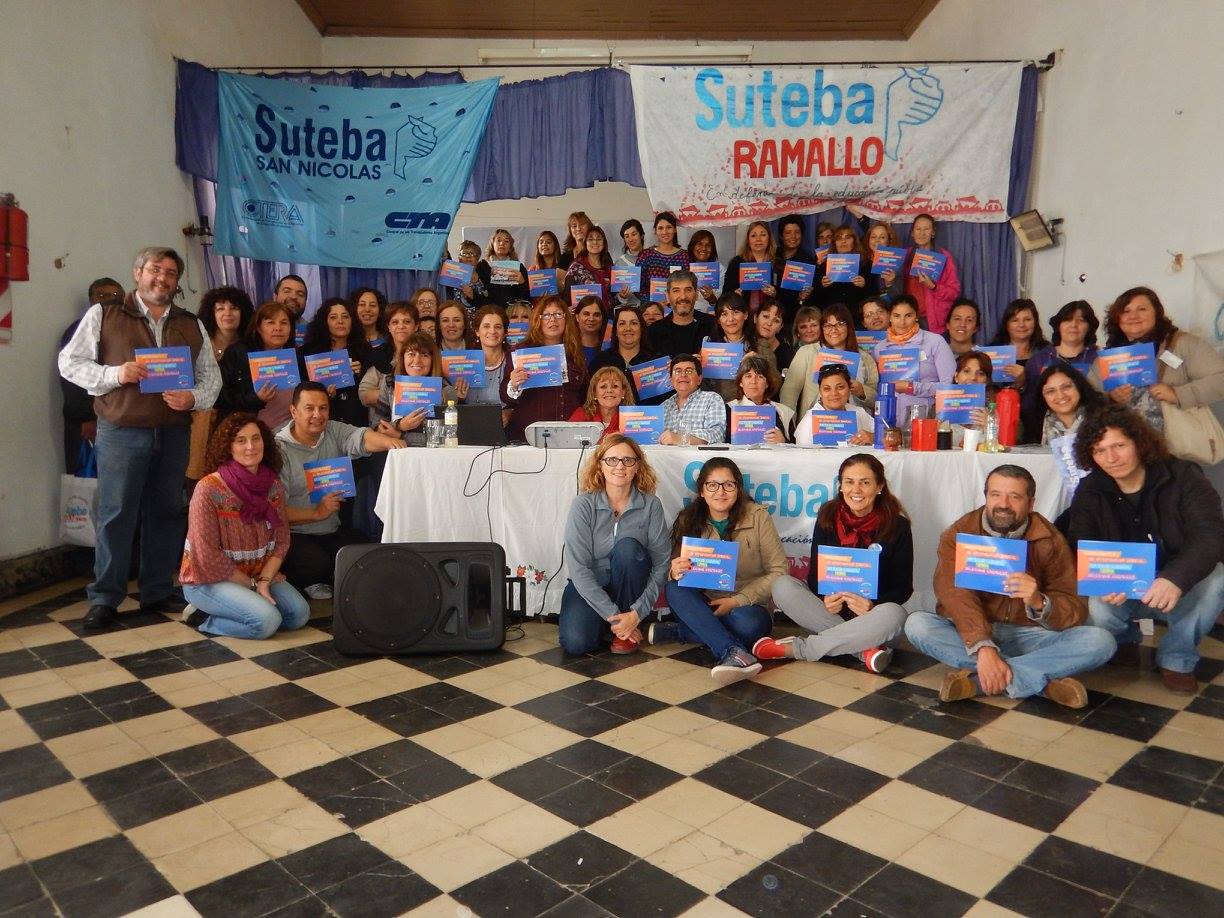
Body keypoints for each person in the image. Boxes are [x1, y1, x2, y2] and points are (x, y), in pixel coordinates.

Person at [58, 247, 221, 628]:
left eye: (170, 273)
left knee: (166, 512)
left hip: (174, 431)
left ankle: (157, 590)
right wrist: (115, 374)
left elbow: (211, 379)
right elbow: (69, 363)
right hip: (121, 430)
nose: (162, 278)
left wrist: (192, 398)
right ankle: (105, 598)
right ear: (137, 273)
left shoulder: (190, 323)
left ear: (177, 281)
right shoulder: (105, 314)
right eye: (154, 270)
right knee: (116, 514)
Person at [904, 466, 1115, 707]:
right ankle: (1041, 682)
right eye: (995, 494)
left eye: (1014, 497)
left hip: (1029, 633)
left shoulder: (1050, 539)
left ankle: (982, 681)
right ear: (985, 496)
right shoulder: (959, 533)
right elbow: (955, 595)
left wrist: (1039, 602)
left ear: (1031, 503)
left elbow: (1074, 606)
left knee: (1101, 641)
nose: (1003, 504)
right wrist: (983, 646)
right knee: (918, 625)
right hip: (973, 628)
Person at [1068, 405, 1224, 694]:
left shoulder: (1184, 476)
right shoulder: (1090, 488)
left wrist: (1175, 577)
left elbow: (1210, 535)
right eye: (1099, 450)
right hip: (1123, 584)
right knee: (1099, 608)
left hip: (1178, 583)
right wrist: (1103, 578)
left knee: (1217, 579)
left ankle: (1177, 657)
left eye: (1119, 446)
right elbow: (1081, 540)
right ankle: (1125, 639)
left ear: (1139, 442)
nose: (1111, 458)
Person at [761, 453, 912, 672]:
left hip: (873, 619)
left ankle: (801, 649)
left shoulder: (898, 525)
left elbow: (903, 588)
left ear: (879, 487)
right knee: (782, 585)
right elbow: (815, 577)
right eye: (849, 482)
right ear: (841, 486)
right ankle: (864, 650)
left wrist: (872, 605)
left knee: (895, 613)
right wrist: (826, 599)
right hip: (830, 614)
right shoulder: (827, 515)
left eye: (865, 483)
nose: (856, 490)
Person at [652, 458, 785, 684]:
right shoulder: (688, 519)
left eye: (728, 485)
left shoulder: (758, 516)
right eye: (712, 485)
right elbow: (671, 568)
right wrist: (674, 570)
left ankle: (684, 631)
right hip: (705, 602)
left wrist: (737, 601)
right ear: (702, 491)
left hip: (746, 606)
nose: (720, 492)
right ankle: (732, 650)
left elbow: (779, 571)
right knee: (675, 589)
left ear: (738, 489)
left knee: (750, 626)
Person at [179, 413, 309, 639]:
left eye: (256, 438)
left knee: (298, 615)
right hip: (209, 579)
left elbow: (282, 540)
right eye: (241, 440)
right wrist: (253, 585)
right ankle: (203, 617)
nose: (250, 446)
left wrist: (265, 580)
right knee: (266, 622)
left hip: (257, 574)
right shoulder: (208, 488)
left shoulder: (273, 486)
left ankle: (240, 608)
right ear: (228, 447)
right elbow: (207, 555)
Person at [276, 382, 404, 597]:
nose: (317, 415)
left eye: (323, 408)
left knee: (367, 553)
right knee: (317, 564)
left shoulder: (334, 430)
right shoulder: (278, 449)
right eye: (309, 408)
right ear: (293, 411)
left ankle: (329, 578)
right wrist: (316, 513)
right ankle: (309, 581)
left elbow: (362, 437)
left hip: (330, 530)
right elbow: (275, 512)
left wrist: (391, 443)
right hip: (294, 534)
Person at [560, 434, 671, 654]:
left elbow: (661, 564)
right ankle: (619, 627)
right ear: (600, 465)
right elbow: (579, 568)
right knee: (576, 644)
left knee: (628, 549)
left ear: (637, 467)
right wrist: (614, 616)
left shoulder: (651, 505)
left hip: (631, 591)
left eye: (628, 460)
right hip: (591, 585)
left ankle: (625, 627)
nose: (620, 466)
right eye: (611, 460)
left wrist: (637, 613)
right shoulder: (583, 504)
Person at [1091, 286, 1224, 434]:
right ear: (1117, 318)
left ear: (1157, 313)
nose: (1133, 316)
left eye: (1142, 309)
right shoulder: (1108, 356)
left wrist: (1178, 394)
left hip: (1178, 441)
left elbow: (1221, 378)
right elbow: (1087, 398)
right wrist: (1110, 397)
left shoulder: (1182, 343)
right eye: (1126, 311)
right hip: (1129, 441)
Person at [189, 286, 256, 484]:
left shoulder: (251, 348)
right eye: (220, 308)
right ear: (211, 313)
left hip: (235, 423)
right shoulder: (198, 344)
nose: (227, 313)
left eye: (234, 308)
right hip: (200, 422)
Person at [501, 295, 589, 441]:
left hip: (567, 436)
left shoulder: (575, 353)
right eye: (546, 315)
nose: (552, 320)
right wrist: (514, 384)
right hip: (528, 437)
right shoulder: (520, 352)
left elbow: (584, 395)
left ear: (566, 319)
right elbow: (505, 396)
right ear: (538, 320)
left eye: (558, 314)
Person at [61, 278, 124, 473]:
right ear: (92, 301)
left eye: (116, 295)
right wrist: (86, 418)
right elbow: (71, 380)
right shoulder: (79, 330)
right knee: (86, 479)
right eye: (103, 295)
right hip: (87, 421)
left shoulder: (125, 330)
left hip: (117, 419)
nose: (110, 299)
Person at [1022, 300, 1100, 442]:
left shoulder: (1101, 358)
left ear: (1090, 327)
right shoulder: (1038, 360)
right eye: (1067, 320)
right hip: (1046, 432)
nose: (1074, 325)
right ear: (1058, 325)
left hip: (1093, 431)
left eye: (1081, 320)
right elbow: (1030, 405)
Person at [782, 304, 877, 417]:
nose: (833, 330)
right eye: (827, 325)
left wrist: (861, 391)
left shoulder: (865, 358)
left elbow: (877, 399)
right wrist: (789, 423)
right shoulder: (807, 352)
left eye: (840, 324)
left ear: (849, 326)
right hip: (816, 422)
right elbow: (789, 393)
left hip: (856, 422)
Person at [216, 301, 296, 430]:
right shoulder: (238, 353)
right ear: (258, 328)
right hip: (248, 430)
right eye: (270, 322)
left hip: (291, 429)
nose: (278, 328)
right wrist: (255, 398)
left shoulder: (297, 356)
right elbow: (219, 396)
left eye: (284, 323)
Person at [876, 295, 956, 419]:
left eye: (908, 316)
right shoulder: (880, 348)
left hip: (926, 417)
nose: (902, 322)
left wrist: (912, 387)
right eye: (896, 316)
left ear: (917, 316)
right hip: (888, 419)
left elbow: (950, 386)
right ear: (889, 317)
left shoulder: (934, 342)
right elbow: (876, 387)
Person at [379, 332, 467, 443]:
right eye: (411, 354)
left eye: (424, 355)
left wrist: (401, 435)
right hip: (393, 450)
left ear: (432, 360)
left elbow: (444, 436)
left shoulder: (446, 390)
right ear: (402, 357)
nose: (417, 361)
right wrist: (400, 425)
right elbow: (377, 426)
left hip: (430, 452)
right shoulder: (389, 383)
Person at [300, 297, 372, 428]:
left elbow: (370, 391)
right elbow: (301, 391)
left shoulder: (365, 350)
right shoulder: (308, 352)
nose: (340, 321)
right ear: (324, 322)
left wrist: (362, 374)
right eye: (333, 317)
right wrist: (323, 393)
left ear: (352, 321)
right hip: (321, 421)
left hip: (356, 422)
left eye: (345, 317)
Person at [589, 305, 662, 404]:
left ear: (641, 329)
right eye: (622, 324)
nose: (628, 328)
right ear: (615, 331)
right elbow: (590, 396)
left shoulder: (656, 363)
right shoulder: (600, 361)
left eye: (634, 323)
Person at [359, 301, 419, 420]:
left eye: (407, 322)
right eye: (395, 322)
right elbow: (364, 394)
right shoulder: (378, 355)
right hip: (384, 425)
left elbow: (444, 391)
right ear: (389, 327)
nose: (401, 326)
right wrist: (403, 395)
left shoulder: (427, 354)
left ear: (416, 326)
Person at [900, 214, 960, 333]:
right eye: (918, 229)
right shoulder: (905, 255)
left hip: (933, 321)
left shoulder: (944, 257)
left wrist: (933, 286)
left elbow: (954, 293)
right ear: (912, 233)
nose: (922, 233)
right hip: (907, 319)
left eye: (926, 229)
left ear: (933, 233)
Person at [703, 294, 767, 402]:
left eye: (735, 312)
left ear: (745, 315)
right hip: (719, 407)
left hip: (753, 407)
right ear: (718, 320)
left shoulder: (761, 346)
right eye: (724, 314)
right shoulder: (710, 348)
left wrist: (759, 361)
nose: (730, 319)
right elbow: (704, 387)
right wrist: (697, 366)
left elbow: (775, 383)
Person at [792, 364, 874, 448]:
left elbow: (882, 435)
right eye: (827, 389)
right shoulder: (809, 420)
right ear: (820, 392)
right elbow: (801, 454)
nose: (834, 393)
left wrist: (873, 437)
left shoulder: (858, 412)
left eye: (840, 387)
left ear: (849, 389)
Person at [659, 354, 726, 445]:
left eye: (689, 371)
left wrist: (682, 439)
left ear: (699, 379)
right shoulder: (663, 407)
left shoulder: (712, 399)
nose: (683, 375)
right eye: (678, 371)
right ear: (671, 380)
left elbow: (718, 434)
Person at [646, 271, 714, 358]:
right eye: (676, 291)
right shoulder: (653, 332)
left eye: (688, 290)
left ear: (696, 294)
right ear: (667, 296)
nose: (683, 296)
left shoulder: (713, 325)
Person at [726, 354, 793, 443]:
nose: (753, 381)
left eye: (760, 376)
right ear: (740, 382)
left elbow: (797, 447)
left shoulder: (783, 411)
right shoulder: (728, 409)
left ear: (767, 383)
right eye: (748, 376)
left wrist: (783, 441)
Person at [463, 304, 511, 420]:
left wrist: (510, 413)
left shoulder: (513, 362)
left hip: (506, 429)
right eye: (486, 326)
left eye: (498, 327)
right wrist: (459, 397)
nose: (492, 331)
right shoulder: (464, 363)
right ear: (477, 331)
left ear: (505, 332)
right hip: (470, 424)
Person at [988, 298, 1047, 392]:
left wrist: (1026, 379)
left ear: (1035, 322)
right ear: (1006, 325)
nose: (1021, 325)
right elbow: (986, 388)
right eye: (1015, 320)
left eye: (1027, 319)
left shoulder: (1046, 352)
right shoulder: (991, 351)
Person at [1038, 363, 1103, 446]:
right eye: (1051, 391)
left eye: (1066, 387)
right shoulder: (1036, 424)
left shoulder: (1104, 419)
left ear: (1079, 386)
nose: (1060, 395)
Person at [722, 220, 778, 311]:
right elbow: (725, 295)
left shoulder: (777, 262)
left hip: (769, 315)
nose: (758, 239)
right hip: (742, 314)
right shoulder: (737, 262)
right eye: (753, 235)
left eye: (763, 235)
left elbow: (784, 295)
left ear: (769, 238)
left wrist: (775, 293)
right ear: (748, 240)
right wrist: (734, 295)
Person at [815, 225, 869, 317]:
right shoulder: (824, 266)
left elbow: (874, 295)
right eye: (839, 238)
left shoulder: (865, 264)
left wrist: (864, 285)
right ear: (834, 243)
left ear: (854, 241)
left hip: (857, 316)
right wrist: (822, 286)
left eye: (847, 237)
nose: (843, 241)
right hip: (831, 317)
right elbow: (815, 299)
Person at [772, 215, 816, 323]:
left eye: (797, 232)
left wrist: (805, 296)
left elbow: (814, 294)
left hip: (796, 317)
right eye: (788, 233)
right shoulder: (772, 255)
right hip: (772, 315)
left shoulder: (808, 261)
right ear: (781, 236)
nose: (793, 236)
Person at [570, 367, 634, 440]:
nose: (609, 390)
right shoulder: (580, 415)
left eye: (615, 386)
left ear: (623, 392)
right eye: (603, 387)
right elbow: (568, 441)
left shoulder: (633, 418)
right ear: (594, 393)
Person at [477, 229, 530, 306]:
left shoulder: (519, 267)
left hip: (512, 310)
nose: (502, 243)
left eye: (506, 241)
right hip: (490, 310)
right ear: (492, 244)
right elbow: (478, 294)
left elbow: (527, 297)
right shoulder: (482, 266)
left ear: (510, 246)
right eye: (498, 240)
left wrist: (522, 282)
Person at [566, 226, 614, 304]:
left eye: (599, 239)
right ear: (585, 243)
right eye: (590, 239)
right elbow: (567, 297)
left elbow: (614, 295)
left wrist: (622, 295)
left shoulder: (609, 266)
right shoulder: (575, 267)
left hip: (609, 311)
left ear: (604, 243)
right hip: (585, 311)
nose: (595, 242)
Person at [635, 211, 689, 282]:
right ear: (655, 231)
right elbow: (637, 284)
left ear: (675, 229)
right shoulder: (646, 255)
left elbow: (689, 283)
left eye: (669, 227)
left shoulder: (684, 256)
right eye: (660, 228)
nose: (665, 232)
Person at [350, 287, 390, 370]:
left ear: (380, 310)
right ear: (354, 309)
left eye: (372, 305)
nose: (367, 309)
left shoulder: (390, 339)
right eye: (362, 305)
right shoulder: (348, 340)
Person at [441, 241, 488, 310]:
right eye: (464, 253)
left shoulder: (485, 275)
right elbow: (444, 255)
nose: (468, 257)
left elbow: (490, 302)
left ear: (477, 258)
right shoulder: (452, 273)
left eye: (472, 253)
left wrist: (473, 296)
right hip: (457, 315)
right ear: (459, 258)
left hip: (480, 315)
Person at [864, 222, 903, 303]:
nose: (877, 240)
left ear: (888, 241)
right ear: (868, 240)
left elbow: (899, 296)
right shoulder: (862, 262)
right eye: (873, 237)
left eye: (882, 237)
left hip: (888, 307)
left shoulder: (896, 263)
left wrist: (889, 284)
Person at [753, 301, 795, 372]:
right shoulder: (743, 343)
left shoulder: (787, 355)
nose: (769, 323)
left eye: (776, 321)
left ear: (780, 327)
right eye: (766, 316)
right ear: (755, 318)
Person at [686, 229, 721, 310]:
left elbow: (721, 301)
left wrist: (711, 298)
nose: (704, 248)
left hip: (710, 314)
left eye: (708, 245)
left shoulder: (720, 269)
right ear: (692, 246)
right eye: (699, 244)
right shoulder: (684, 266)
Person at [530, 230, 567, 296]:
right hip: (539, 302)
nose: (544, 244)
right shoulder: (532, 269)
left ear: (555, 246)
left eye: (548, 242)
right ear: (538, 247)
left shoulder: (564, 267)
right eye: (541, 242)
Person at [574, 296, 607, 367]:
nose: (591, 319)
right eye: (586, 314)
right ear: (577, 317)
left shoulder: (609, 348)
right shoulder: (568, 348)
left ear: (603, 318)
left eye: (596, 315)